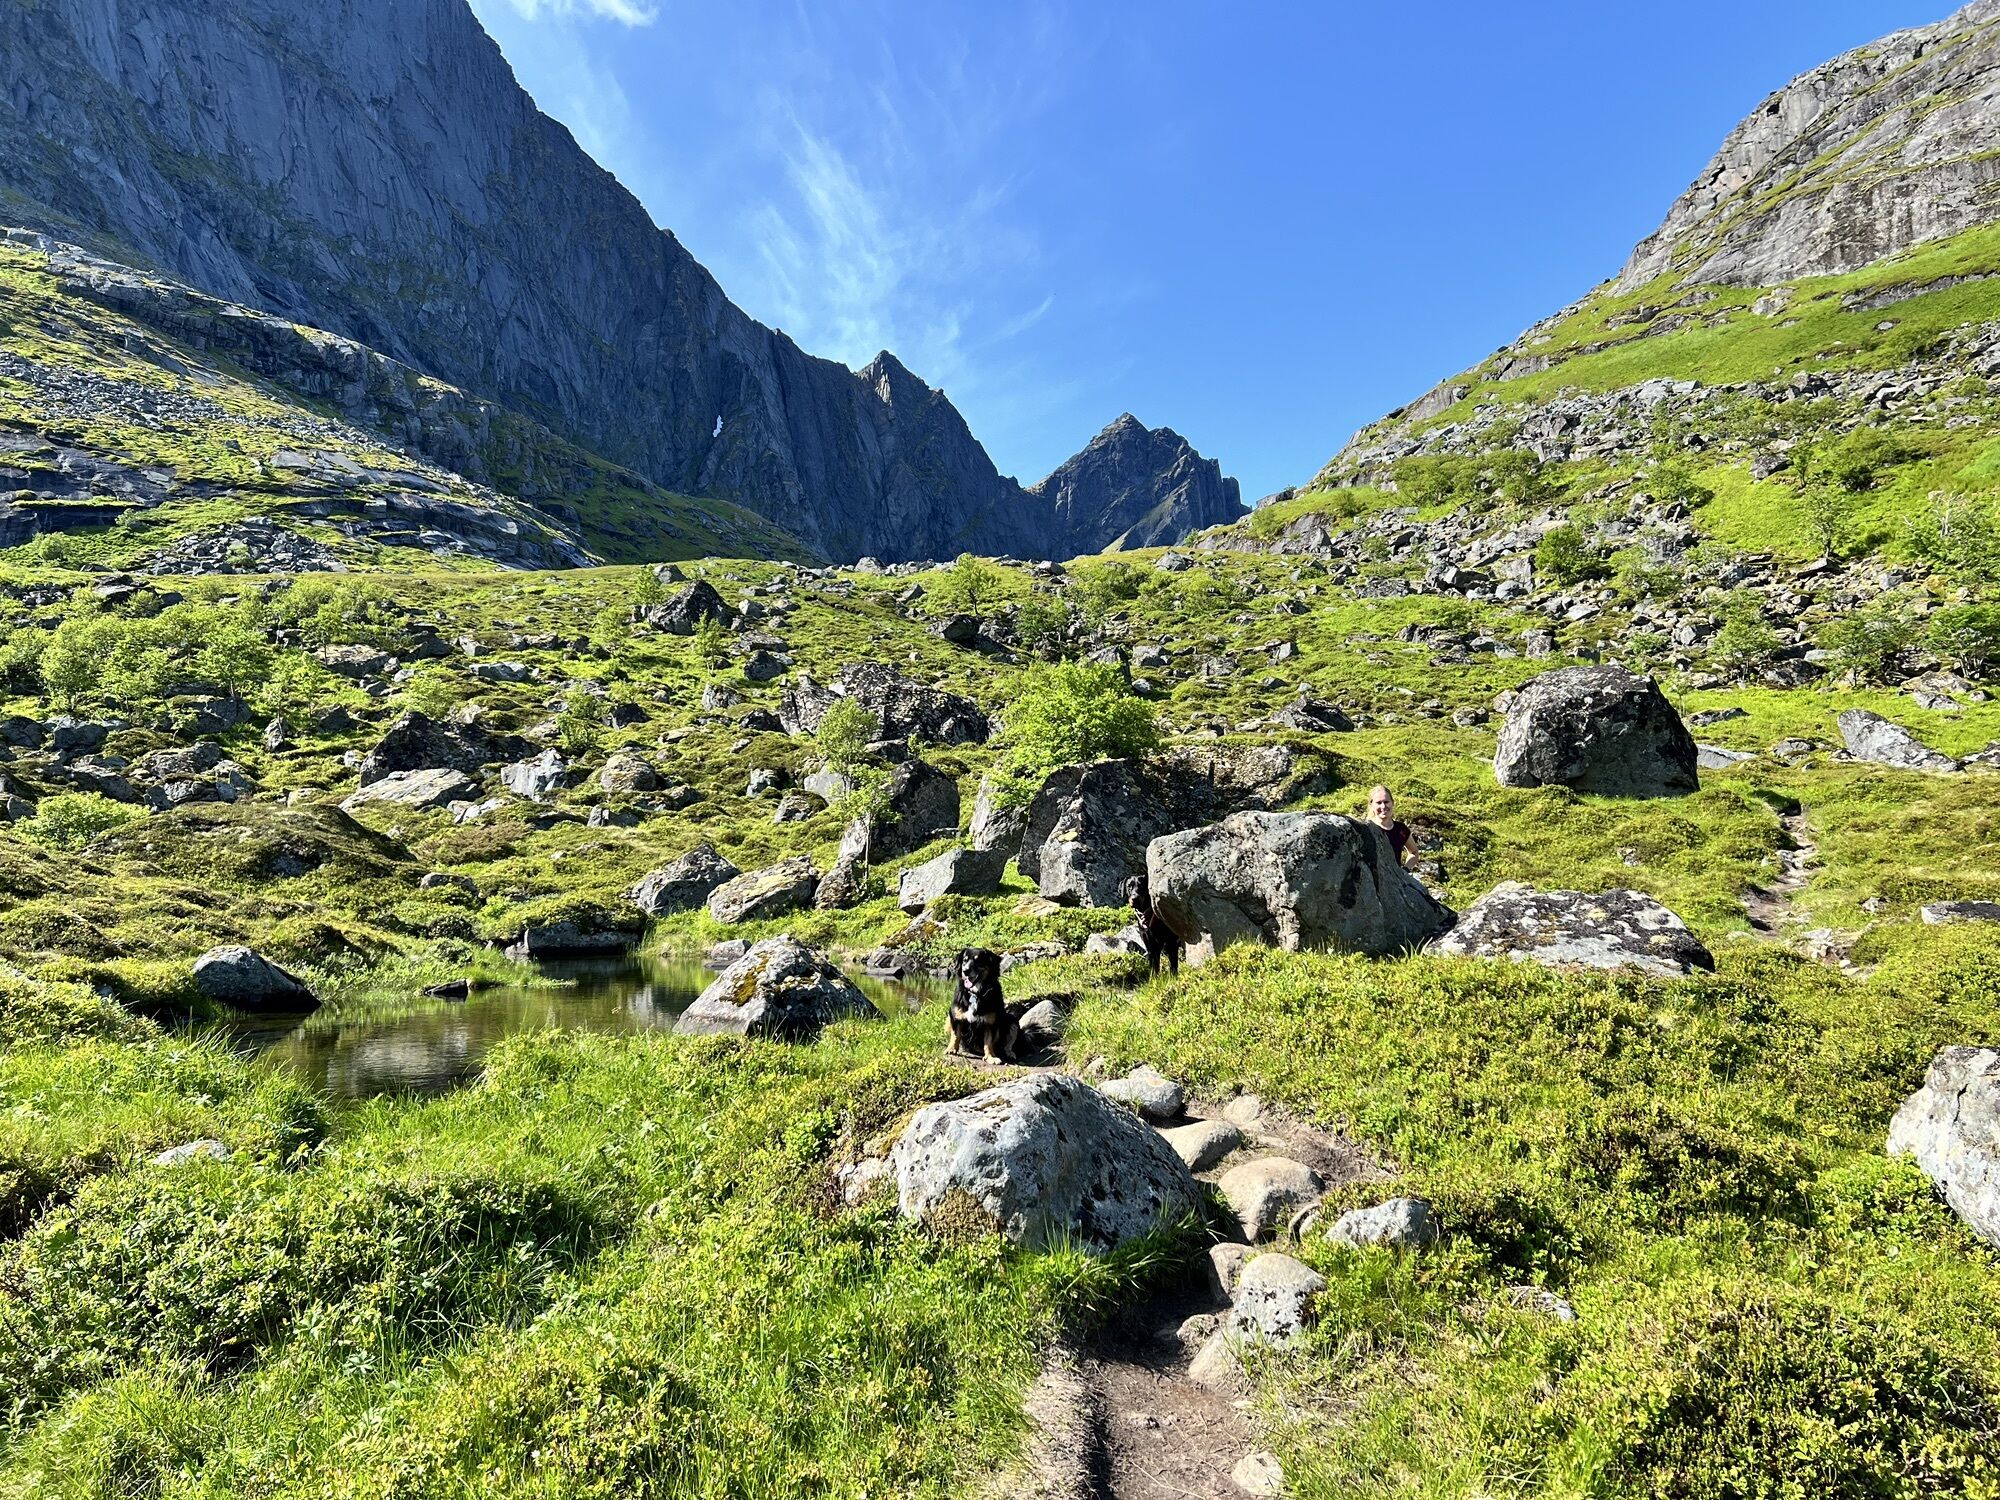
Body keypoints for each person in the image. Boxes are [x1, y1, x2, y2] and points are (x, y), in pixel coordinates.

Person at [1366, 784, 1416, 869]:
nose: (1383, 806)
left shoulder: (1401, 829)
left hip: (1394, 877)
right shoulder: (1366, 829)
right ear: (1371, 805)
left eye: (1386, 802)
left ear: (1392, 803)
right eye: (1378, 803)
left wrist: (1405, 870)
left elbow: (1414, 852)